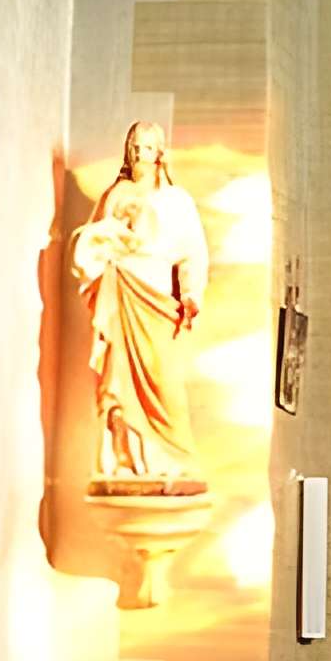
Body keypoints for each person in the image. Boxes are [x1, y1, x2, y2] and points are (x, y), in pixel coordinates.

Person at [71, 120, 211, 484]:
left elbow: (192, 252)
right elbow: (90, 245)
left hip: (156, 300)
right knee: (118, 377)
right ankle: (126, 460)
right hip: (119, 293)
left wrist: (192, 293)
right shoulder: (113, 196)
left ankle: (170, 457)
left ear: (160, 153)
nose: (138, 154)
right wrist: (106, 239)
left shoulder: (176, 201)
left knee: (163, 380)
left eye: (146, 147)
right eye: (133, 146)